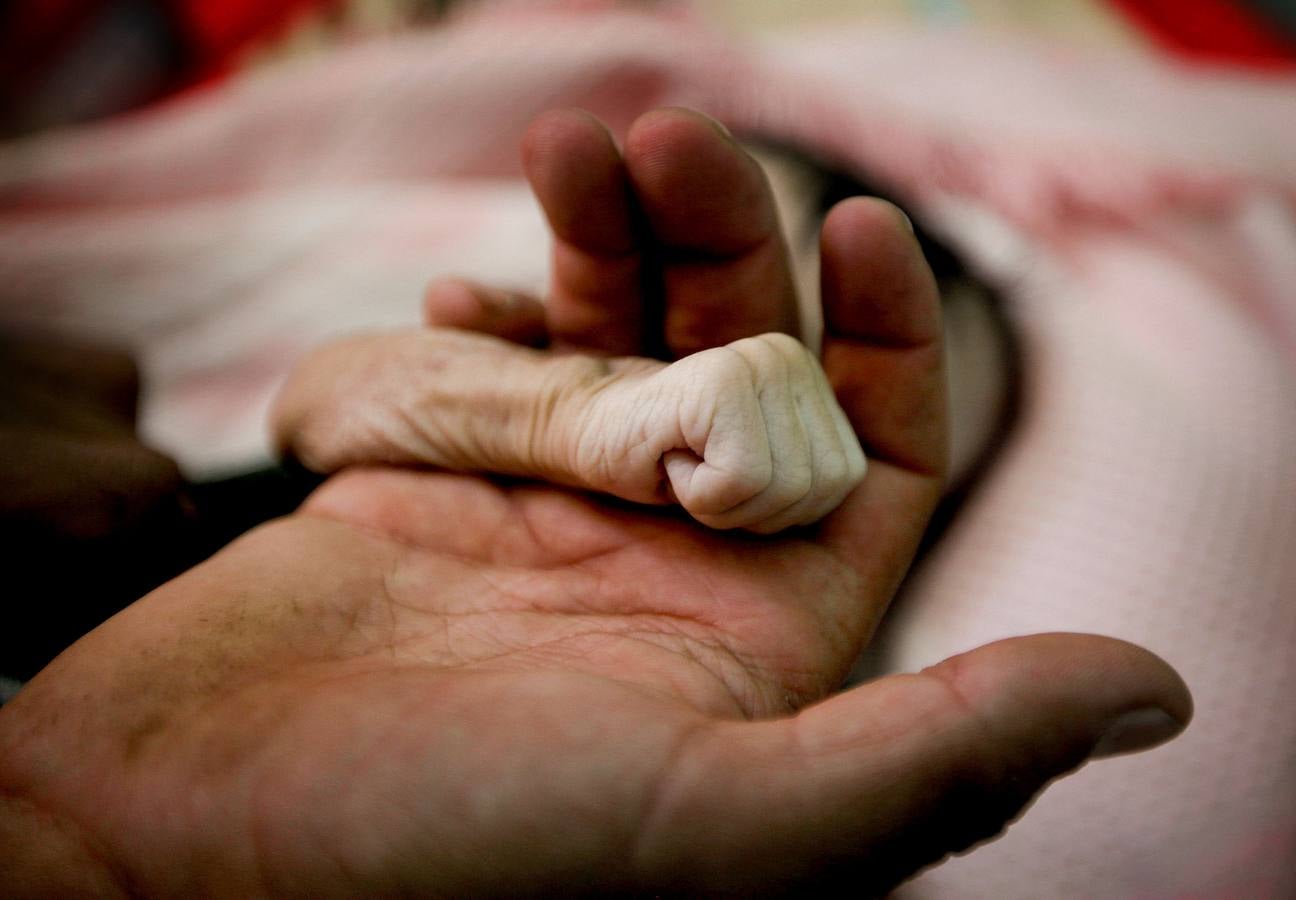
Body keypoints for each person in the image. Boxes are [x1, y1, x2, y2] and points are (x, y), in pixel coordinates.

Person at [0, 107, 1190, 896]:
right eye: (701, 312)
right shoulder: (410, 438)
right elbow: (324, 401)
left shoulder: (722, 759)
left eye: (865, 439)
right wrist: (547, 413)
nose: (782, 422)